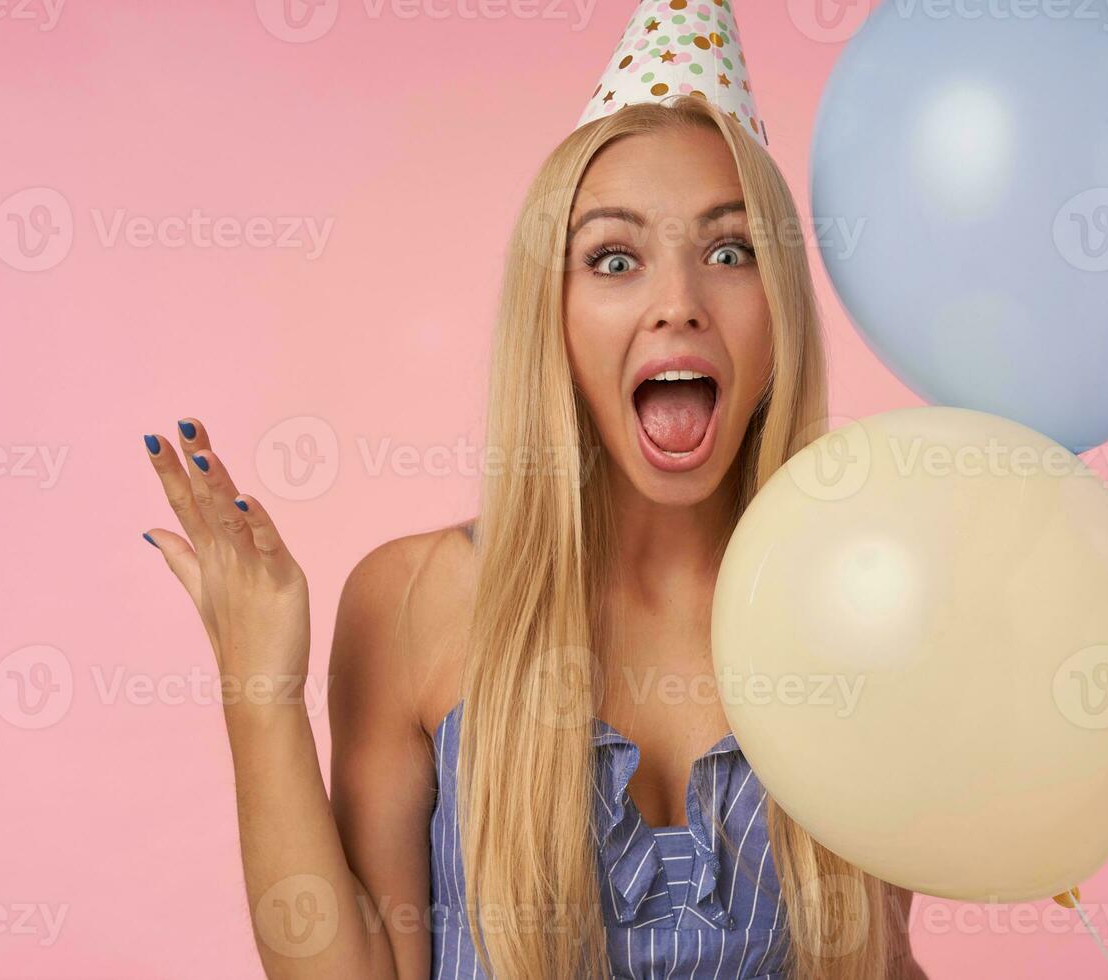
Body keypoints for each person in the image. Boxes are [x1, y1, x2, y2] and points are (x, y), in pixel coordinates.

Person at [140, 4, 925, 977]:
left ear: (783, 315)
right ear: (549, 314)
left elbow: (882, 961)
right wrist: (257, 687)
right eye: (614, 258)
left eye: (731, 252)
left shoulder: (861, 604)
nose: (678, 299)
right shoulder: (411, 600)